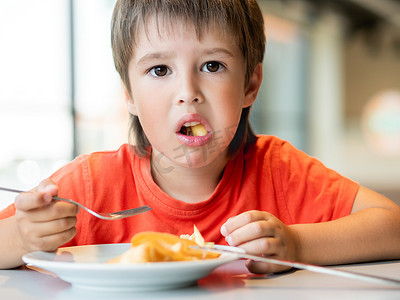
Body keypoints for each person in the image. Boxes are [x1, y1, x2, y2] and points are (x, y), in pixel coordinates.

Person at [1, 0, 400, 273]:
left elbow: (392, 225)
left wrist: (296, 245)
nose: (187, 91)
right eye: (159, 70)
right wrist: (21, 236)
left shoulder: (279, 171)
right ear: (129, 95)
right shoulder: (89, 188)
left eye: (212, 65)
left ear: (250, 84)